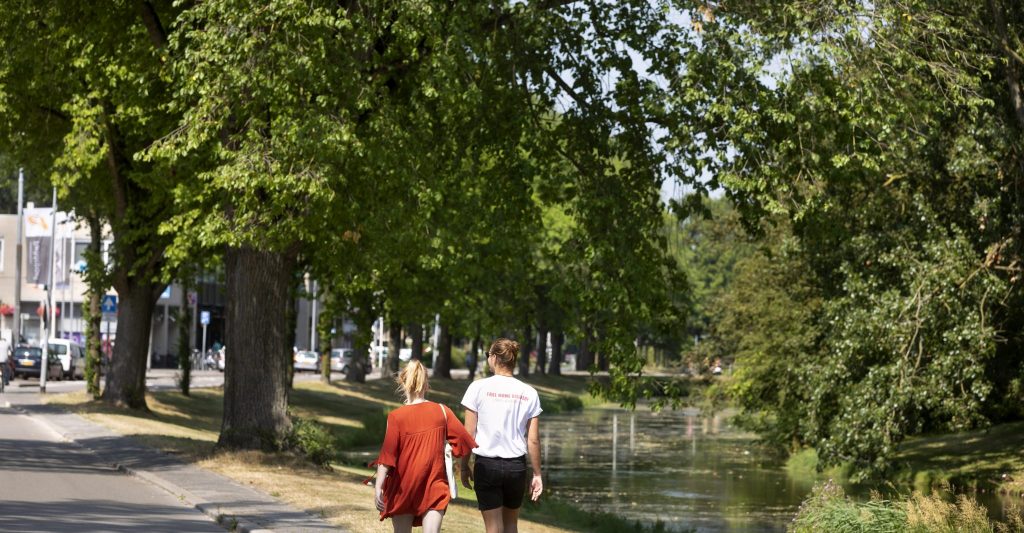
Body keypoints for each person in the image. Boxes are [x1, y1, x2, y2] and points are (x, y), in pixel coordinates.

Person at [373, 360, 476, 533]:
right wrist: (464, 466)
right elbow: (465, 443)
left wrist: (378, 486)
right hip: (434, 486)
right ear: (426, 383)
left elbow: (387, 457)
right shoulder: (442, 412)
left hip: (403, 488)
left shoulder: (396, 417)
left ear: (403, 383)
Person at [460, 338, 544, 533]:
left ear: (496, 358)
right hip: (516, 467)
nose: (488, 359)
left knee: (493, 527)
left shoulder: (477, 388)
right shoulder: (529, 392)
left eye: (488, 355)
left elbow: (468, 434)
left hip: (487, 465)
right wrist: (537, 474)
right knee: (511, 525)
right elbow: (533, 439)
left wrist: (464, 466)